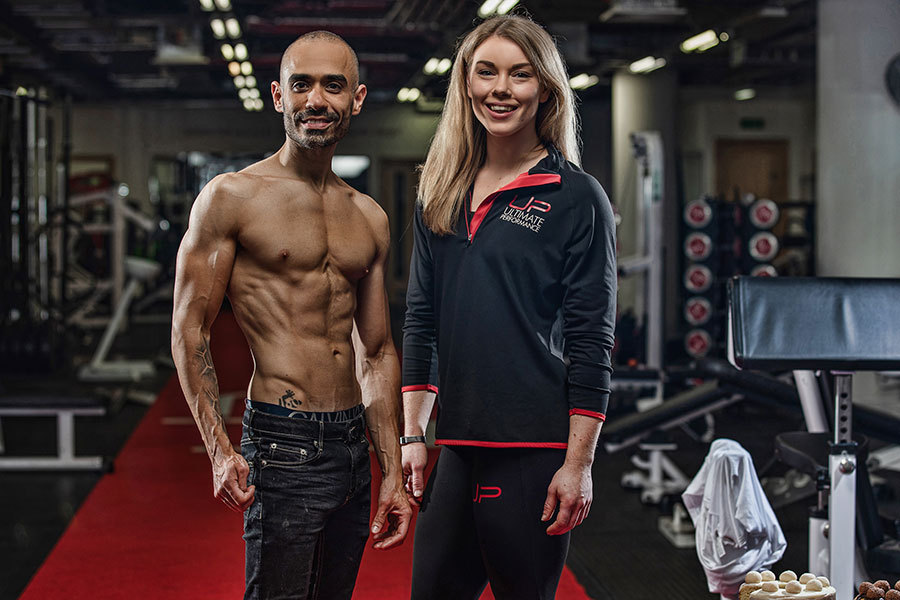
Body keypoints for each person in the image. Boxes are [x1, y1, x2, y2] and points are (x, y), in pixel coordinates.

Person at [171, 31, 410, 600]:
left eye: (333, 86)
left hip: (352, 444)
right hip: (283, 440)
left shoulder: (369, 217)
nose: (316, 100)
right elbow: (189, 328)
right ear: (279, 95)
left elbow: (376, 352)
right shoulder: (233, 197)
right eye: (301, 84)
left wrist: (393, 474)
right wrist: (218, 449)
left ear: (357, 99)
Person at [400, 14, 617, 600]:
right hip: (457, 445)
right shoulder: (440, 189)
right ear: (465, 83)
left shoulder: (576, 197)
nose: (501, 89)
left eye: (520, 74)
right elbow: (422, 318)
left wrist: (579, 464)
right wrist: (413, 433)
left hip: (534, 451)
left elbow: (592, 339)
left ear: (546, 88)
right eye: (486, 72)